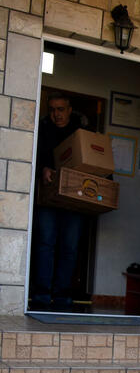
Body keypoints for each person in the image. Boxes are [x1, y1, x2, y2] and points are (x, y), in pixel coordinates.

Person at [31, 92, 85, 311]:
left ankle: (62, 296)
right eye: (52, 109)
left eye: (61, 109)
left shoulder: (82, 132)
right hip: (49, 198)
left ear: (69, 110)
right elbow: (32, 157)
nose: (56, 114)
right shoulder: (42, 130)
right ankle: (42, 295)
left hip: (74, 200)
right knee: (45, 244)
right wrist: (42, 169)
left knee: (69, 247)